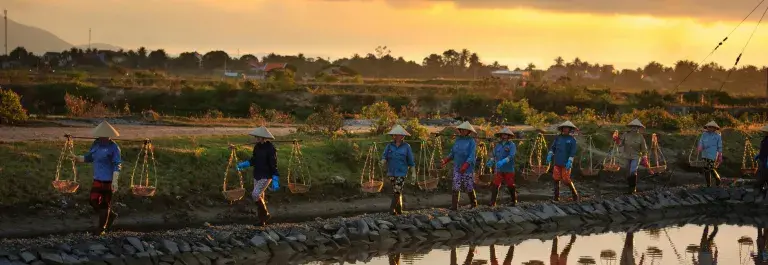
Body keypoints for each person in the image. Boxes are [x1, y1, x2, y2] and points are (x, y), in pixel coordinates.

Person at [72, 121, 122, 235]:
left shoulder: (114, 147)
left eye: (104, 136)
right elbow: (89, 157)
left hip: (108, 181)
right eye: (100, 136)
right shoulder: (96, 144)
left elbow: (117, 164)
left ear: (109, 136)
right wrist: (78, 158)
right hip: (97, 179)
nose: (102, 138)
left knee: (105, 204)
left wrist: (115, 181)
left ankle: (101, 228)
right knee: (93, 200)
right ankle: (110, 215)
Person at [236, 126, 280, 226]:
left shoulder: (271, 149)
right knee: (260, 196)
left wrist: (275, 179)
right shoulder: (257, 147)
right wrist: (244, 164)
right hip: (257, 174)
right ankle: (262, 221)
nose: (256, 138)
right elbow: (254, 160)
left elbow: (273, 164)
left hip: (266, 175)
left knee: (255, 195)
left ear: (263, 137)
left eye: (258, 136)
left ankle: (265, 213)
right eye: (256, 136)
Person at [441, 121, 478, 210]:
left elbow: (472, 155)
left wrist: (465, 165)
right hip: (457, 166)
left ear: (468, 131)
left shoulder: (471, 141)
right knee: (455, 185)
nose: (463, 132)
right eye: (462, 130)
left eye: (465, 130)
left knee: (468, 185)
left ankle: (474, 203)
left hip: (467, 167)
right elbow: (453, 153)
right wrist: (446, 160)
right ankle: (454, 206)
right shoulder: (458, 140)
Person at [380, 125, 416, 216]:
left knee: (397, 190)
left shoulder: (407, 147)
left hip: (401, 172)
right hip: (391, 171)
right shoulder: (389, 146)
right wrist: (383, 161)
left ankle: (391, 210)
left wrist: (413, 173)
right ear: (394, 136)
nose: (399, 136)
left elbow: (411, 161)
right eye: (397, 135)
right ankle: (399, 211)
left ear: (403, 136)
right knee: (396, 190)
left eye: (400, 135)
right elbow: (384, 156)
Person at [614, 119, 649, 194]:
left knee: (633, 171)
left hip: (636, 157)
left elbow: (644, 149)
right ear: (631, 127)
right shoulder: (625, 135)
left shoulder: (640, 137)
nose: (634, 128)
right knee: (628, 172)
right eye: (633, 127)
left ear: (638, 128)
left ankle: (633, 189)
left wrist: (645, 158)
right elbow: (620, 144)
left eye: (636, 127)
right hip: (626, 156)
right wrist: (617, 140)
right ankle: (629, 186)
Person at [547, 121, 580, 201]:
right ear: (562, 129)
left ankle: (575, 195)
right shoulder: (558, 138)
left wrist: (570, 161)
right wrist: (550, 154)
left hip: (566, 163)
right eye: (564, 128)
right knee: (556, 178)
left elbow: (573, 151)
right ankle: (556, 197)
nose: (565, 129)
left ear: (570, 129)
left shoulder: (572, 140)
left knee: (566, 179)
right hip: (557, 162)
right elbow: (553, 147)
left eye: (567, 128)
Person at [486, 127, 518, 206]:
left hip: (508, 168)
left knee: (510, 184)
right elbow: (494, 155)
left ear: (508, 136)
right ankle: (493, 202)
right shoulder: (498, 145)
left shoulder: (512, 145)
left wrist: (503, 161)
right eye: (502, 134)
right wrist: (491, 160)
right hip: (499, 169)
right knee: (495, 184)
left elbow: (511, 156)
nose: (504, 136)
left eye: (505, 134)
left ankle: (514, 201)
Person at [698, 121, 723, 187]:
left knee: (710, 167)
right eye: (709, 127)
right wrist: (700, 147)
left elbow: (719, 145)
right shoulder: (704, 134)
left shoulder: (718, 136)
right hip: (705, 153)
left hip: (713, 153)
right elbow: (701, 141)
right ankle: (708, 184)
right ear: (707, 128)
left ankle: (717, 179)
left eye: (712, 127)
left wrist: (720, 154)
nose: (710, 128)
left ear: (715, 128)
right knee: (706, 168)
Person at [754, 125, 768, 195]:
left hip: (766, 160)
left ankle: (762, 195)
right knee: (761, 177)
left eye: (765, 132)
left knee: (764, 177)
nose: (764, 132)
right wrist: (759, 155)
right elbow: (763, 150)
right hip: (762, 160)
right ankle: (760, 193)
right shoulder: (764, 139)